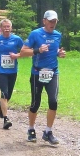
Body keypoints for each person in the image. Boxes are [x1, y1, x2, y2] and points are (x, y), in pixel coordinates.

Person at [20, 10, 66, 145]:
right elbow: (23, 51)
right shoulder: (35, 34)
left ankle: (48, 132)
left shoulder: (57, 35)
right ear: (44, 21)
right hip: (37, 73)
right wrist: (37, 50)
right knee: (35, 104)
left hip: (53, 73)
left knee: (53, 101)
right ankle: (31, 129)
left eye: (55, 21)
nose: (53, 24)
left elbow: (53, 50)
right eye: (50, 21)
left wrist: (59, 53)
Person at [0, 18, 24, 130]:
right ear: (1, 28)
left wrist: (16, 55)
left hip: (12, 70)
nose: (6, 29)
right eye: (4, 27)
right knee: (4, 93)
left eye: (8, 27)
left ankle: (2, 108)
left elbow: (25, 51)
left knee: (8, 95)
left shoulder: (17, 39)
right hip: (1, 70)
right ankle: (6, 119)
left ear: (11, 28)